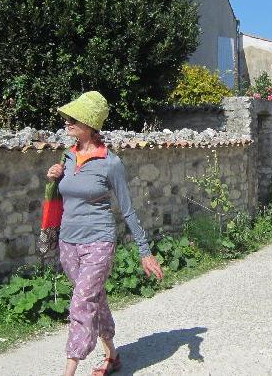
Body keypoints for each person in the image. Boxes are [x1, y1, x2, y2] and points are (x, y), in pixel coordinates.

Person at [46, 91, 163, 376]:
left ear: (88, 124)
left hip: (99, 241)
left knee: (82, 300)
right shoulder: (67, 157)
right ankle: (112, 354)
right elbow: (60, 198)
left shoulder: (111, 163)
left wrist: (145, 251)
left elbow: (127, 209)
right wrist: (53, 178)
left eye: (73, 119)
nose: (67, 122)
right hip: (68, 241)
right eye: (67, 118)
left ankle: (69, 369)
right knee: (94, 298)